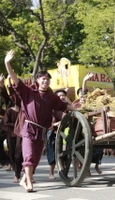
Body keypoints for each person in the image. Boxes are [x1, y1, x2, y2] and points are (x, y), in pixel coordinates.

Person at [4, 50, 76, 192]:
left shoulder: (51, 96)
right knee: (29, 156)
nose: (45, 81)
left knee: (35, 160)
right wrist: (7, 63)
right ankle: (29, 183)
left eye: (47, 79)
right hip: (28, 129)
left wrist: (77, 109)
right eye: (42, 78)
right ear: (37, 80)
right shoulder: (28, 92)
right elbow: (15, 79)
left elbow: (63, 106)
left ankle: (24, 180)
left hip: (42, 132)